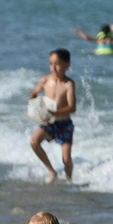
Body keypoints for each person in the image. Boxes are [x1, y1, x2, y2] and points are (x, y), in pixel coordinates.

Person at [26, 49, 77, 182]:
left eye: (58, 64)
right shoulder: (45, 80)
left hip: (64, 124)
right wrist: (33, 110)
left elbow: (72, 107)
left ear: (67, 65)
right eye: (51, 64)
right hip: (48, 123)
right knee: (34, 142)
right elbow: (33, 95)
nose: (53, 68)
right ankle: (51, 171)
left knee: (66, 159)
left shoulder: (68, 84)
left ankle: (69, 180)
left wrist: (54, 113)